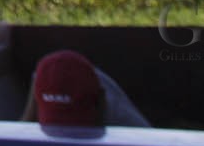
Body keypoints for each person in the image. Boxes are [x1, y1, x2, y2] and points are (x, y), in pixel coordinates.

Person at [19, 49, 151, 128]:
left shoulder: (129, 128)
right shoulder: (40, 82)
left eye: (78, 132)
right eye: (54, 130)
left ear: (101, 103)